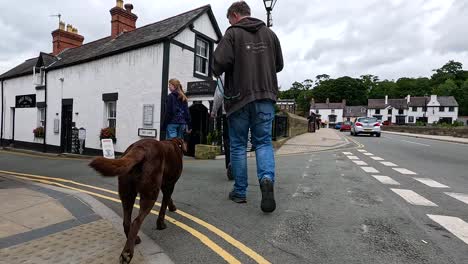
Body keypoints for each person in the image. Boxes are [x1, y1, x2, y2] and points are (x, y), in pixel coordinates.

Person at [213, 1, 284, 213]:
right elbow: (278, 65)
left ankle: (240, 192)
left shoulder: (232, 34)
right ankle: (266, 180)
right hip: (265, 95)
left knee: (238, 146)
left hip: (239, 98)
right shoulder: (271, 35)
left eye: (229, 19)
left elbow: (218, 64)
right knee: (263, 143)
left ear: (234, 15)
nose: (229, 22)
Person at [211, 75, 233, 181]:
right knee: (240, 140)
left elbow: (219, 94)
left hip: (228, 111)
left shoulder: (224, 75)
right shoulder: (244, 68)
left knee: (228, 140)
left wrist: (214, 111)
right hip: (242, 110)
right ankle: (240, 168)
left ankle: (231, 165)